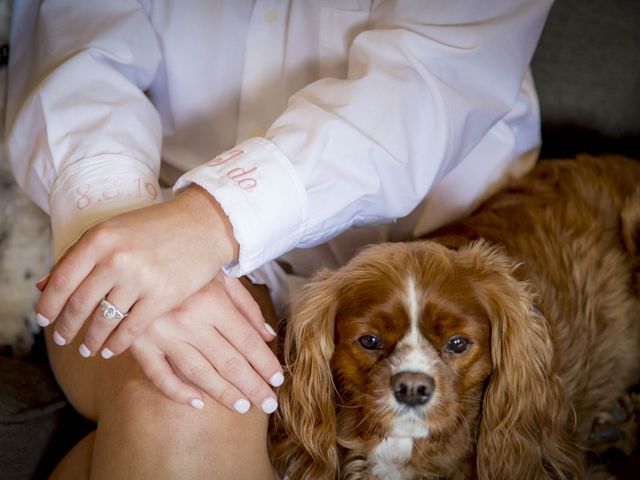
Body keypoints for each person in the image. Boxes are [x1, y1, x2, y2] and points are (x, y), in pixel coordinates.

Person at [5, 0, 553, 478]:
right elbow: (75, 55)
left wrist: (214, 219)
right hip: (148, 203)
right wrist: (132, 241)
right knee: (184, 394)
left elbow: (435, 79)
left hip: (437, 245)